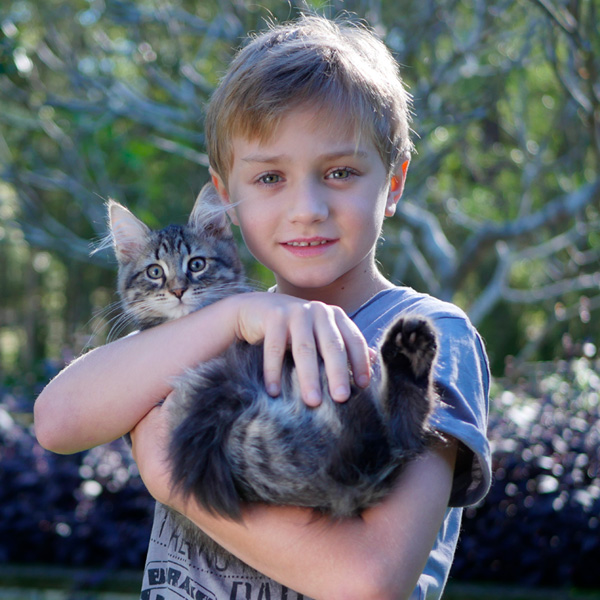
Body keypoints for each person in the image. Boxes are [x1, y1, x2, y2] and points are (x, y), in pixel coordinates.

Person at [35, 14, 491, 600]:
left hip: (364, 420)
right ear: (225, 201)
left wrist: (177, 480)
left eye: (341, 172)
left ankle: (391, 410)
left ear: (395, 182)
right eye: (270, 176)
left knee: (355, 447)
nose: (307, 208)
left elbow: (369, 583)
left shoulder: (426, 333)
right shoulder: (206, 326)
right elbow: (56, 421)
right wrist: (230, 316)